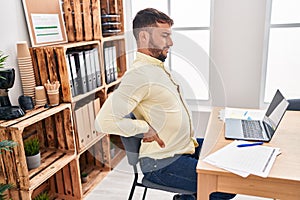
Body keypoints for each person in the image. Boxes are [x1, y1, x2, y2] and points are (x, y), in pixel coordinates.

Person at [95, 8, 235, 200]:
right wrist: (144, 127)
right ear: (143, 37)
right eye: (164, 35)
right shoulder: (138, 75)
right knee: (225, 185)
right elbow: (104, 121)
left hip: (184, 147)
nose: (171, 42)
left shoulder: (156, 68)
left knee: (229, 157)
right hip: (161, 162)